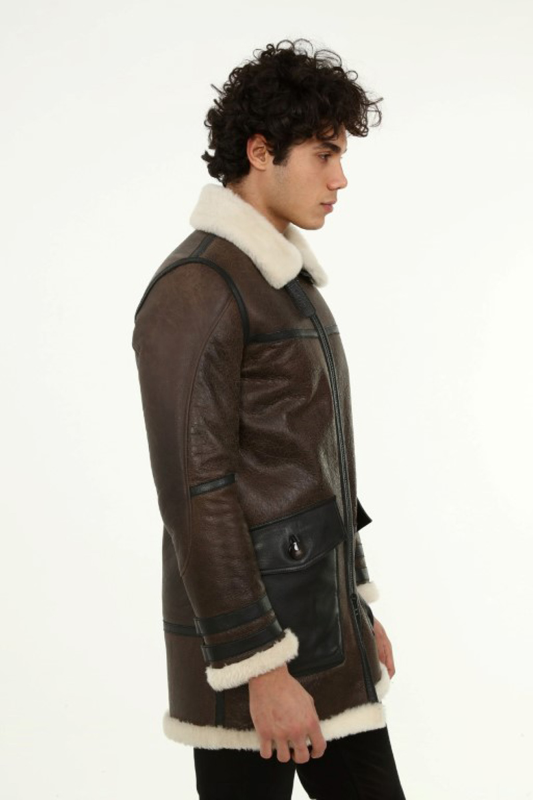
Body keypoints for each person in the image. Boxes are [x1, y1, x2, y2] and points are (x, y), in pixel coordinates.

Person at [132, 38, 406, 800]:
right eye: (323, 154)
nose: (339, 177)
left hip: (316, 629)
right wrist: (258, 667)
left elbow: (309, 467)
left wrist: (352, 604)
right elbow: (196, 496)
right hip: (257, 655)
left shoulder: (281, 281)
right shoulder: (199, 287)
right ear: (260, 152)